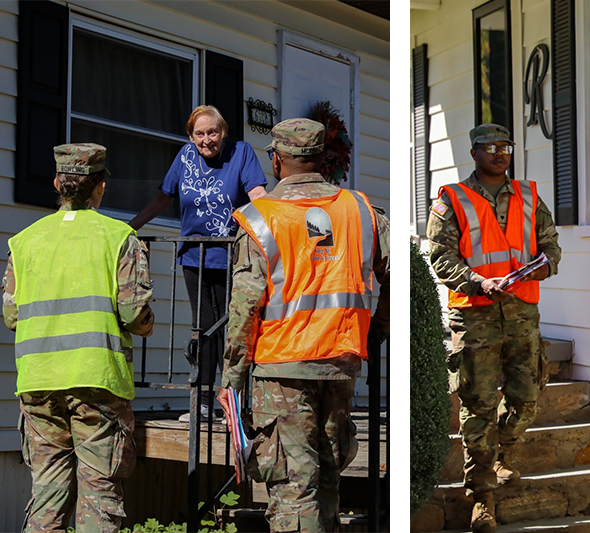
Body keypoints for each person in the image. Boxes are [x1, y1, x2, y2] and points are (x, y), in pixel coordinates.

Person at [216, 118, 390, 533]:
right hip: (341, 359)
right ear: (322, 159)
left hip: (282, 367)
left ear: (276, 161)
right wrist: (376, 329)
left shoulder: (260, 217)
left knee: (295, 487)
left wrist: (232, 377)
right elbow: (401, 274)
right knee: (328, 474)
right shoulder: (360, 209)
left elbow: (245, 305)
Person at [3, 144, 155, 532]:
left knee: (47, 493)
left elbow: (11, 315)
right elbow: (134, 314)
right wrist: (146, 324)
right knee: (99, 497)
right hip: (97, 380)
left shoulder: (23, 242)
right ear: (100, 187)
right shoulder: (119, 237)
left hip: (38, 381)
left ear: (57, 183)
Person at [427, 123, 561, 533]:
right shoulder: (453, 199)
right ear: (474, 153)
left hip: (522, 314)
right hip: (475, 316)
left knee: (527, 398)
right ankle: (481, 499)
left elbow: (551, 248)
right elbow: (440, 256)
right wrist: (480, 282)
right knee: (479, 406)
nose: (499, 153)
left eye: (505, 146)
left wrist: (541, 265)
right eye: (490, 147)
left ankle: (504, 449)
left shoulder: (529, 196)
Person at [129, 105, 268, 421]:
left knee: (226, 326)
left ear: (223, 131)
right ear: (191, 136)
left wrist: (280, 227)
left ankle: (229, 399)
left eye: (213, 132)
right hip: (194, 256)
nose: (207, 140)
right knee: (203, 326)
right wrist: (132, 225)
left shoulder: (241, 153)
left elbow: (257, 194)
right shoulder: (184, 157)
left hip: (229, 256)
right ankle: (205, 401)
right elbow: (165, 197)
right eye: (200, 134)